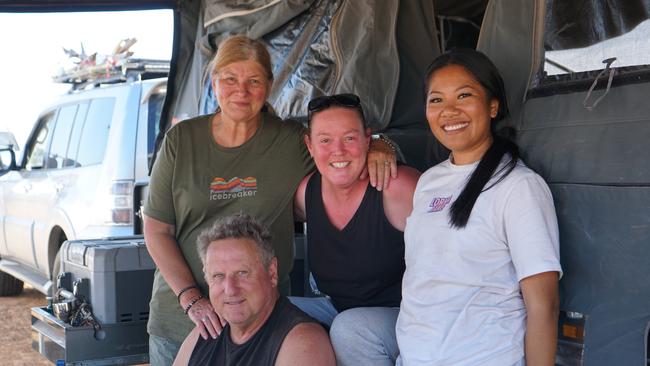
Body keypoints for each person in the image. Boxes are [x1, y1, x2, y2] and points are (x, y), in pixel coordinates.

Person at [143, 35, 396, 365]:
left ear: (269, 86)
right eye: (230, 79)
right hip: (182, 319)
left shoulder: (290, 141)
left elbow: (339, 155)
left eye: (253, 81)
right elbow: (156, 229)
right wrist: (192, 299)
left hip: (262, 325)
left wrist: (380, 145)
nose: (241, 91)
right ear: (213, 80)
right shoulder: (182, 139)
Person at [396, 49, 562, 366]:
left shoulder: (519, 187)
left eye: (464, 95)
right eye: (436, 100)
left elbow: (544, 306)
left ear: (493, 105)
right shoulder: (429, 182)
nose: (449, 111)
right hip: (414, 356)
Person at [289, 94, 420, 366]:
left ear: (367, 139)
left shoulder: (397, 187)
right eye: (325, 140)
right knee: (265, 312)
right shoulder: (306, 192)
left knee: (350, 328)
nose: (338, 151)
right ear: (310, 146)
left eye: (349, 138)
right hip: (335, 307)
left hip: (403, 315)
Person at [173, 213, 335, 366]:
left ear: (272, 273)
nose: (230, 289)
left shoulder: (303, 343)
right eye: (218, 276)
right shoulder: (202, 336)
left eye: (242, 273)